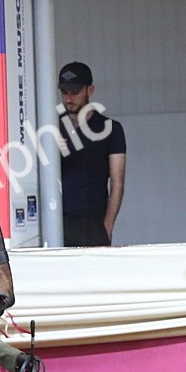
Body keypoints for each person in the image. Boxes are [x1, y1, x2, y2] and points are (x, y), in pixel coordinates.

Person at [57, 61, 126, 246]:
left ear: (90, 90)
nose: (69, 98)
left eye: (75, 92)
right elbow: (32, 175)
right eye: (64, 92)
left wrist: (108, 226)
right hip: (56, 221)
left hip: (94, 223)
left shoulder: (110, 128)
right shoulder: (51, 129)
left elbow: (117, 182)